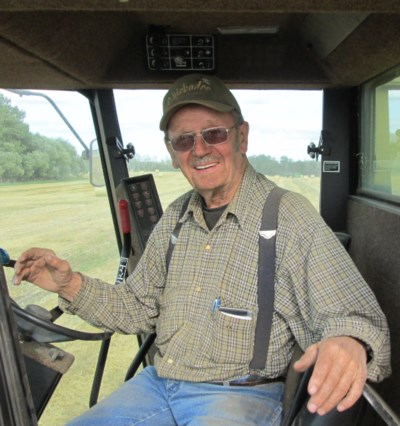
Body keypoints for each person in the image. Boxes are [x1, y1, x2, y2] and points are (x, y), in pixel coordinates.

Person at [13, 74, 391, 426]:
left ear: (242, 138)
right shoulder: (176, 216)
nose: (200, 150)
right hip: (158, 385)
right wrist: (68, 283)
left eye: (214, 134)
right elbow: (134, 307)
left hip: (239, 397)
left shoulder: (288, 214)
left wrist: (348, 342)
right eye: (184, 140)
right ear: (172, 151)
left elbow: (354, 314)